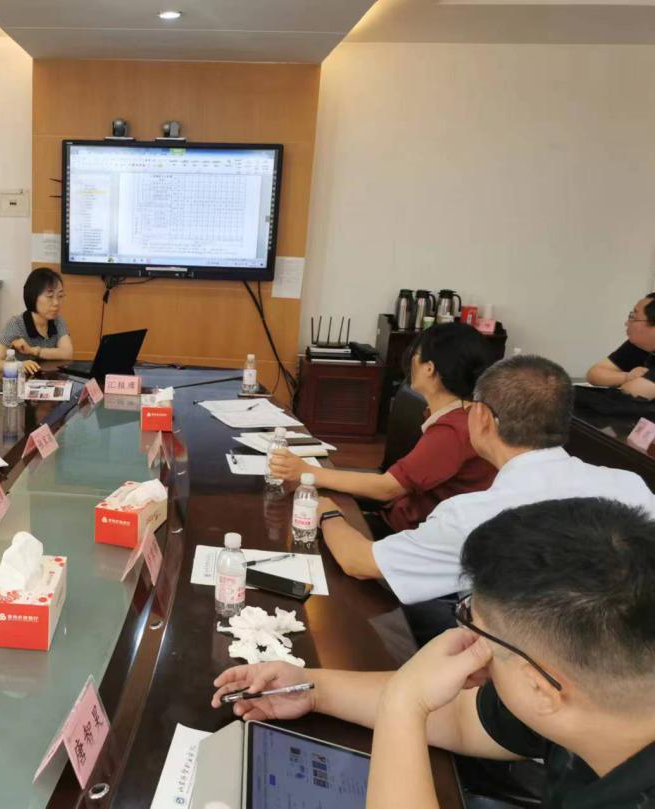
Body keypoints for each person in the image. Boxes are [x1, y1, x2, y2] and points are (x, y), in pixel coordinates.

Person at [212, 497, 655, 808]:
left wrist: (403, 705)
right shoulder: (595, 691)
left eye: (479, 633)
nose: (470, 647)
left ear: (542, 688)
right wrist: (312, 688)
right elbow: (467, 718)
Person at [315, 354, 655, 605]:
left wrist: (327, 512)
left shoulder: (473, 516)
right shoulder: (630, 486)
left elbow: (358, 562)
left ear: (481, 417)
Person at [270, 322, 497, 533]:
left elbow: (387, 488)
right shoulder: (467, 415)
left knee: (296, 518)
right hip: (407, 514)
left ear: (429, 368)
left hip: (412, 534)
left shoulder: (453, 431)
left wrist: (306, 471)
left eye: (416, 354)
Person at [0, 267, 73, 377]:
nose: (56, 303)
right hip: (19, 384)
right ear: (33, 296)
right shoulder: (16, 324)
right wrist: (19, 365)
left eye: (60, 296)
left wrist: (33, 351)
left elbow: (67, 353)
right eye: (50, 296)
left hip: (46, 381)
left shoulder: (57, 321)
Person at [586, 293, 655, 400]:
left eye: (633, 317)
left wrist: (628, 382)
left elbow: (632, 392)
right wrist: (627, 377)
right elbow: (594, 374)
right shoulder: (638, 345)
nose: (626, 323)